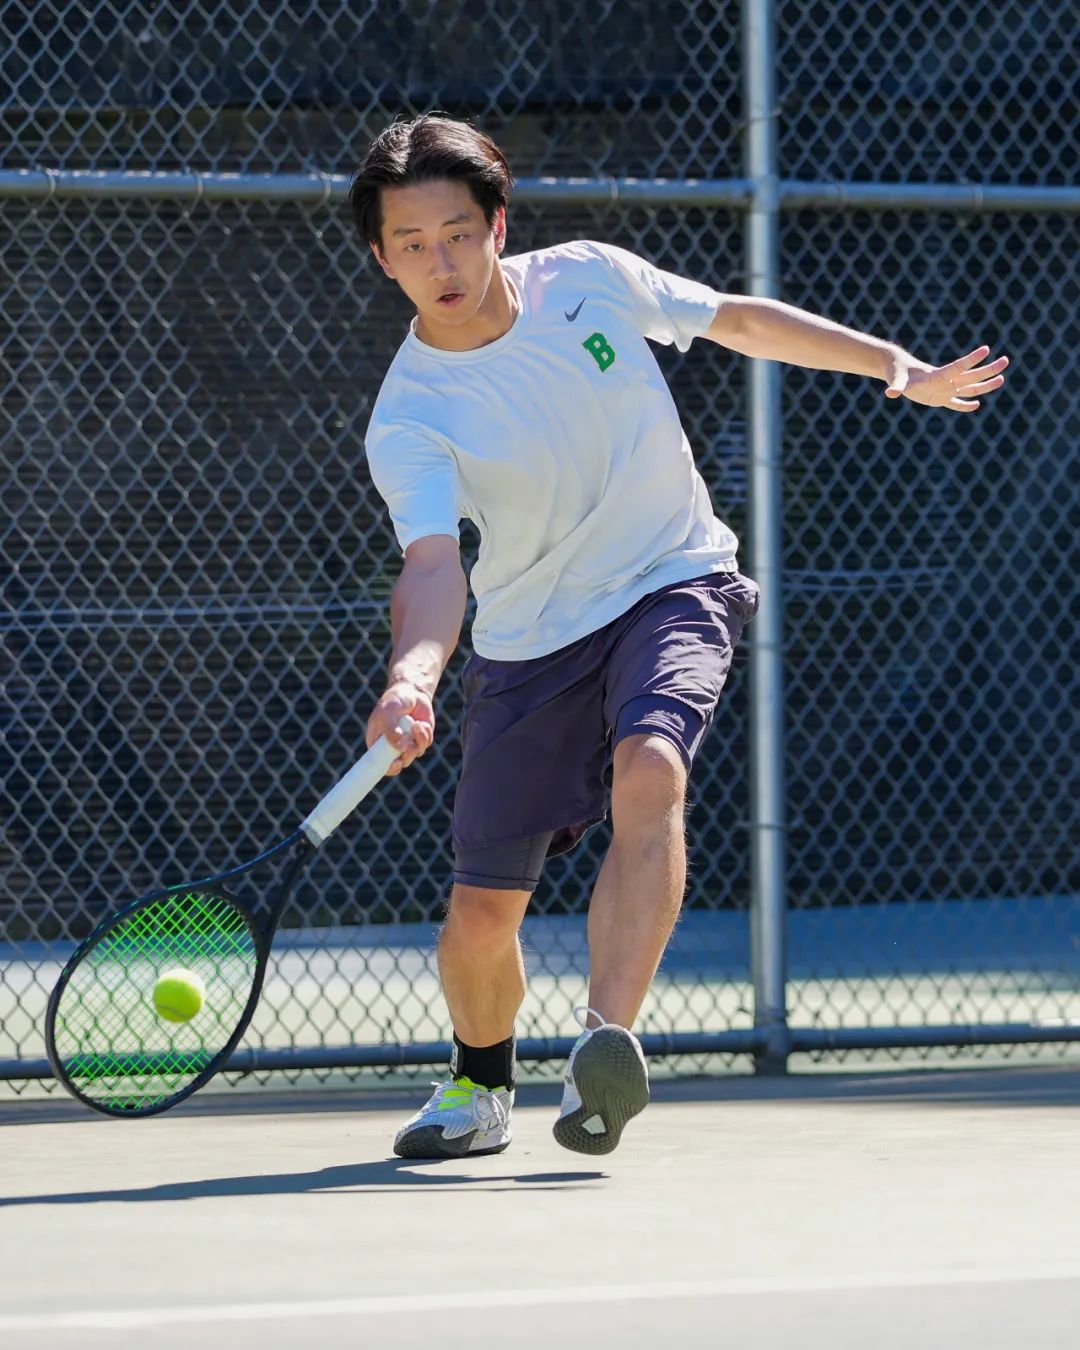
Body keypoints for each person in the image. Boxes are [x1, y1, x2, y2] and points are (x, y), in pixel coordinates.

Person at [348, 113, 1008, 1160]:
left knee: (650, 769)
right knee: (481, 918)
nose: (444, 261)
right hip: (529, 641)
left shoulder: (589, 281)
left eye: (461, 233)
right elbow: (433, 567)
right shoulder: (411, 415)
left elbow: (736, 319)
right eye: (415, 244)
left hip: (674, 577)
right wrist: (414, 675)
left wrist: (897, 365)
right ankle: (479, 1086)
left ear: (499, 225)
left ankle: (603, 1050)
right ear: (383, 258)